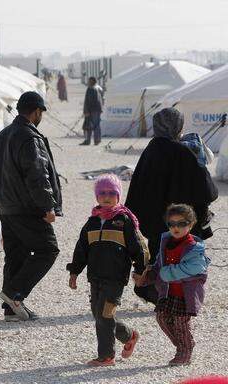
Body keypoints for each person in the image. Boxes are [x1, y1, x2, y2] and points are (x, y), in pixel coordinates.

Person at [126, 108, 218, 304]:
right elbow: (208, 191)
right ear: (178, 126)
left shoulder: (151, 149)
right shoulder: (183, 151)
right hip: (179, 224)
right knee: (181, 260)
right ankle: (170, 296)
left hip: (154, 223)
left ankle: (153, 290)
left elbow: (137, 189)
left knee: (158, 256)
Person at [0, 91, 62, 322]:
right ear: (37, 111)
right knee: (48, 250)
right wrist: (48, 206)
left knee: (15, 255)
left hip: (6, 207)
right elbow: (37, 175)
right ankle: (13, 294)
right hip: (26, 208)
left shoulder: (1, 136)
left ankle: (11, 310)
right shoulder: (29, 137)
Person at [67, 174, 146, 367]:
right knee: (99, 314)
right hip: (95, 277)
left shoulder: (124, 220)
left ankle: (106, 356)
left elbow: (139, 247)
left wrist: (140, 270)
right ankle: (129, 335)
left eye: (112, 193)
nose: (107, 196)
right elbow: (81, 249)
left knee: (105, 315)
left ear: (118, 195)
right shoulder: (92, 222)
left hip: (115, 278)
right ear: (97, 196)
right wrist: (74, 271)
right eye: (102, 193)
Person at [135, 204, 210, 367]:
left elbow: (196, 268)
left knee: (181, 323)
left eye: (181, 224)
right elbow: (158, 265)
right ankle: (185, 345)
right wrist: (147, 278)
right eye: (172, 224)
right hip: (168, 293)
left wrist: (166, 273)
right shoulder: (166, 242)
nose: (176, 227)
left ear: (190, 225)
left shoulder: (194, 248)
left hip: (185, 294)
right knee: (162, 318)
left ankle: (184, 352)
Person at [81, 76, 104, 146]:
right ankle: (96, 140)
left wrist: (87, 111)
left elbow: (89, 101)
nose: (88, 82)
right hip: (98, 110)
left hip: (92, 110)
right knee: (96, 125)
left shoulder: (91, 89)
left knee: (89, 126)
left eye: (89, 81)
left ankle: (89, 140)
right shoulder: (99, 88)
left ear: (92, 81)